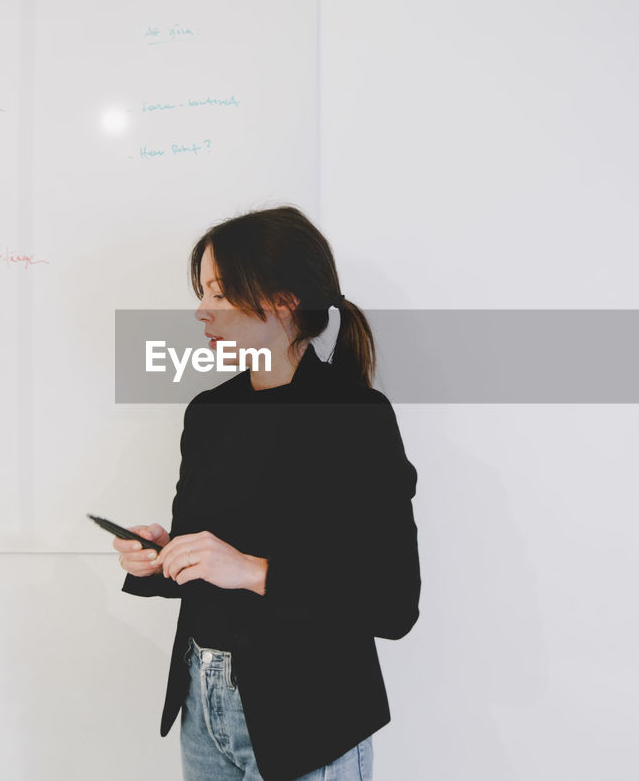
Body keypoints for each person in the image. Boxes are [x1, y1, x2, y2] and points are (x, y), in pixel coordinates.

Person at [111, 206, 420, 781]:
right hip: (202, 710)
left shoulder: (356, 418)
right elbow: (208, 565)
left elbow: (393, 602)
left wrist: (253, 570)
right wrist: (160, 559)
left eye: (220, 293)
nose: (201, 310)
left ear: (281, 301)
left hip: (309, 718)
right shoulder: (208, 413)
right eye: (202, 292)